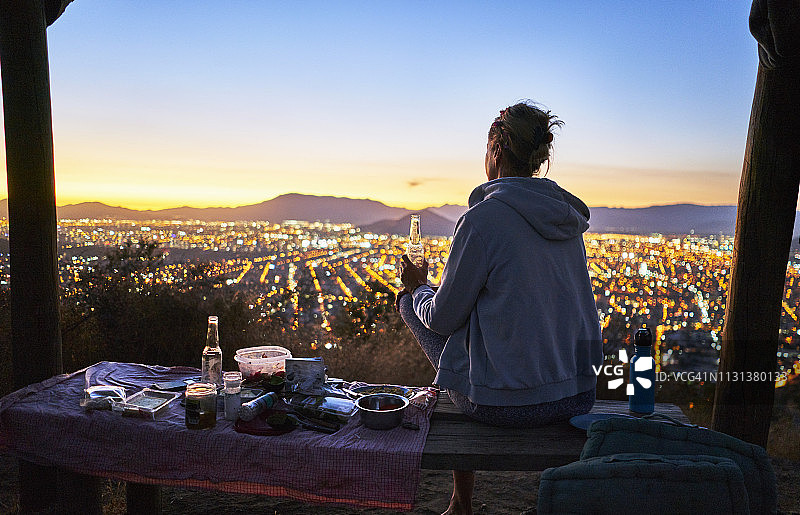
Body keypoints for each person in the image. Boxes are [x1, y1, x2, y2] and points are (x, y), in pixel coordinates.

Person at [397, 101, 603, 515]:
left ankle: (461, 503)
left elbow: (442, 319)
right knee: (475, 315)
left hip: (503, 404)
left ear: (495, 150)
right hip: (578, 393)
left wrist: (417, 288)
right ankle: (459, 502)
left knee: (411, 305)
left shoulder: (483, 219)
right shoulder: (566, 220)